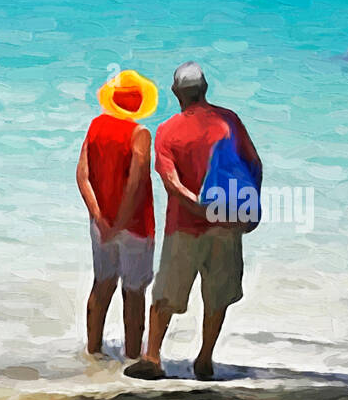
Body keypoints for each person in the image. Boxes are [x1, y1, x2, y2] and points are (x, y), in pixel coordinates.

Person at [126, 63, 263, 381]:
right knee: (217, 295)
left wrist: (201, 209)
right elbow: (253, 164)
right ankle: (204, 359)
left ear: (176, 92)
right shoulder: (229, 120)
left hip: (185, 228)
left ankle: (153, 357)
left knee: (165, 295)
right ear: (205, 89)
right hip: (227, 224)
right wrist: (249, 209)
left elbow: (171, 183)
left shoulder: (167, 130)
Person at [76, 69, 157, 360]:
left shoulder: (95, 127)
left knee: (102, 284)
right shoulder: (140, 134)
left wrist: (99, 217)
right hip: (134, 226)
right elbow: (135, 186)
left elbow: (82, 176)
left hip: (101, 224)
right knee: (133, 294)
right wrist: (119, 223)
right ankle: (133, 359)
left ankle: (93, 354)